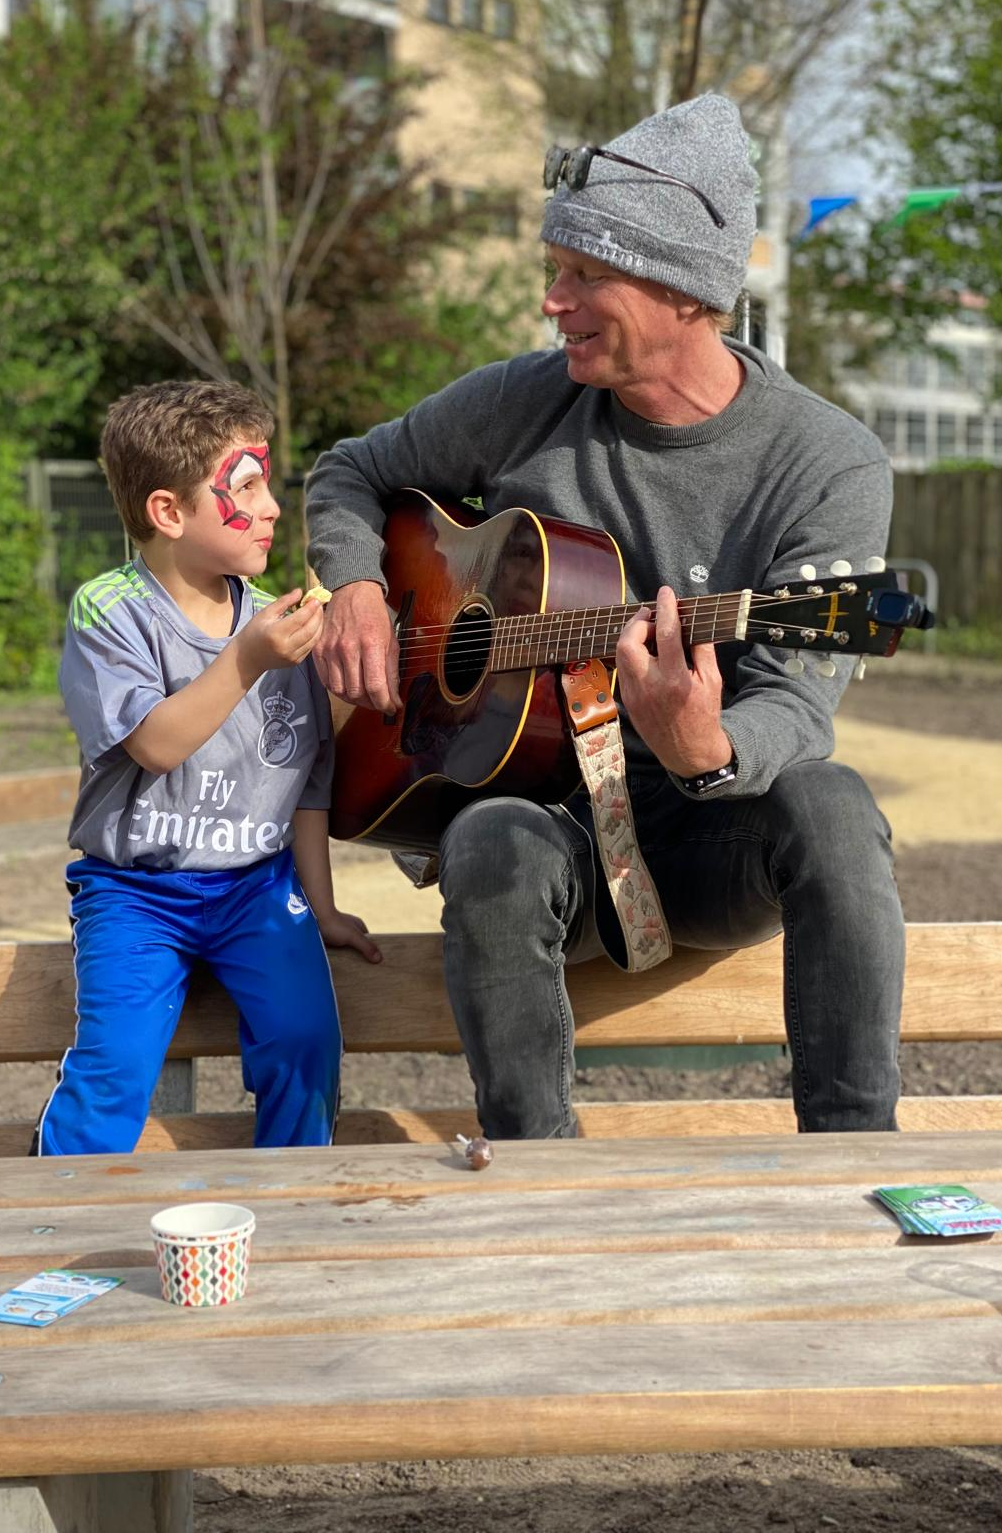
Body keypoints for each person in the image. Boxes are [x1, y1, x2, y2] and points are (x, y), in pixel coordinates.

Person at [306, 92, 904, 1139]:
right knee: (487, 839)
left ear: (683, 289)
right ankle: (538, 1174)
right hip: (557, 827)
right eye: (555, 270)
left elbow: (796, 711)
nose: (554, 301)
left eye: (586, 275)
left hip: (712, 837)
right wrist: (357, 585)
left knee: (835, 804)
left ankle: (851, 1156)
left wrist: (706, 748)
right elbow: (350, 471)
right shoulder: (521, 400)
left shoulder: (827, 462)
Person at [34, 379, 380, 1157]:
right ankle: (57, 1210)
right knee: (114, 1067)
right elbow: (156, 745)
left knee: (306, 1043)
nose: (273, 508)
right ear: (168, 512)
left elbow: (306, 786)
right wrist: (246, 659)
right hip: (134, 894)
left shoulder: (278, 628)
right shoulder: (110, 612)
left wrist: (323, 909)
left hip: (257, 888)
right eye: (246, 487)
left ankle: (288, 1198)